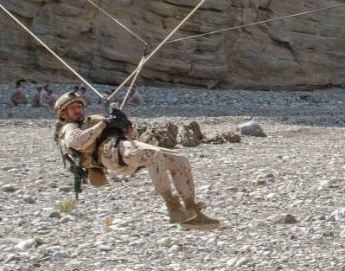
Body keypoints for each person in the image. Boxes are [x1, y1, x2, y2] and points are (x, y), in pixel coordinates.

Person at [53, 91, 220, 229]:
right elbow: (79, 142)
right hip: (109, 154)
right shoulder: (69, 128)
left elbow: (134, 138)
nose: (78, 110)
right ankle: (173, 208)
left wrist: (125, 125)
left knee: (180, 159)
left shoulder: (92, 122)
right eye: (72, 108)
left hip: (123, 148)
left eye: (79, 106)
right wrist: (105, 123)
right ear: (63, 113)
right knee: (152, 155)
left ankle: (191, 209)